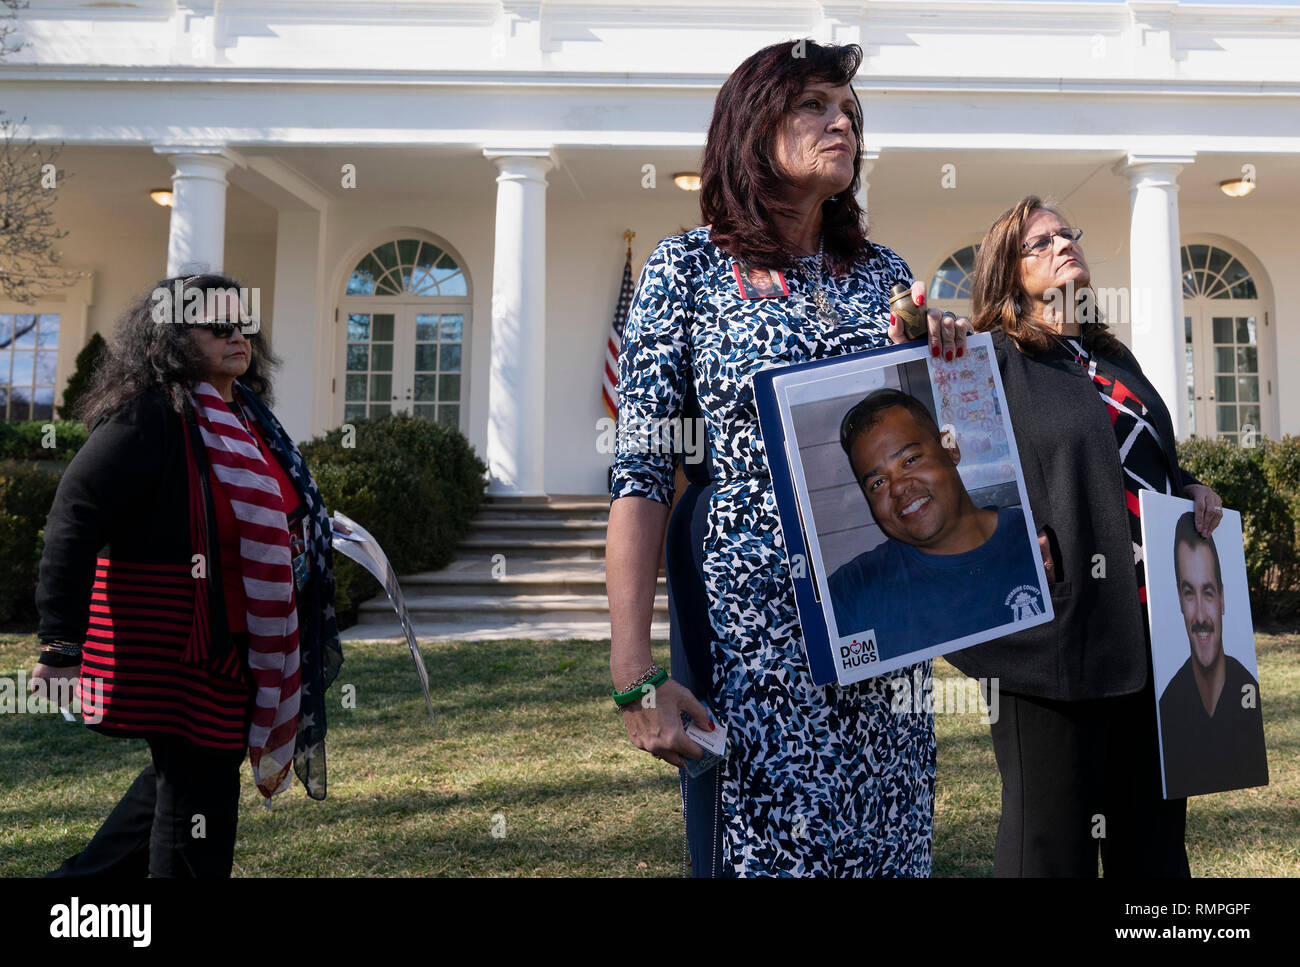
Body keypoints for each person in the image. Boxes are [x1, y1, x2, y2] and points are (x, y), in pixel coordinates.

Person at [606, 39, 969, 877]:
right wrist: (634, 671)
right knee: (768, 851)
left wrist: (948, 370)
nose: (841, 120)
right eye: (814, 104)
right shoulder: (688, 269)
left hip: (884, 623)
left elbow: (934, 446)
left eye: (849, 110)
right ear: (752, 122)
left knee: (887, 843)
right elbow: (641, 473)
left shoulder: (886, 276)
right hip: (752, 638)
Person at [946, 195, 1225, 877]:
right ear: (1006, 275)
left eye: (1066, 233)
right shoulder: (988, 362)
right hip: (1054, 649)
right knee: (1051, 850)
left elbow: (1135, 457)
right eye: (1038, 243)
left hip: (1156, 643)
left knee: (1154, 854)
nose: (1062, 244)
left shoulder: (1111, 357)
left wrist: (1187, 485)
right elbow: (959, 487)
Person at [29, 273, 344, 877]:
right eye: (217, 326)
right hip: (178, 640)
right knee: (199, 789)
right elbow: (76, 515)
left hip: (238, 637)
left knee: (187, 773)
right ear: (172, 337)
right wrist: (61, 643)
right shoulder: (151, 415)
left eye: (242, 325)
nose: (238, 336)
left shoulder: (246, 414)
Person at [828, 388, 1042, 661]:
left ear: (950, 447)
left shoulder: (1037, 540)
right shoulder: (851, 593)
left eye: (910, 460)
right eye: (877, 483)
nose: (898, 488)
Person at [1158, 512, 1268, 798]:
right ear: (1180, 602)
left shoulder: (1247, 690)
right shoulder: (1166, 705)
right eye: (1189, 593)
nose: (1200, 616)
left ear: (1222, 598)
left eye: (1208, 592)